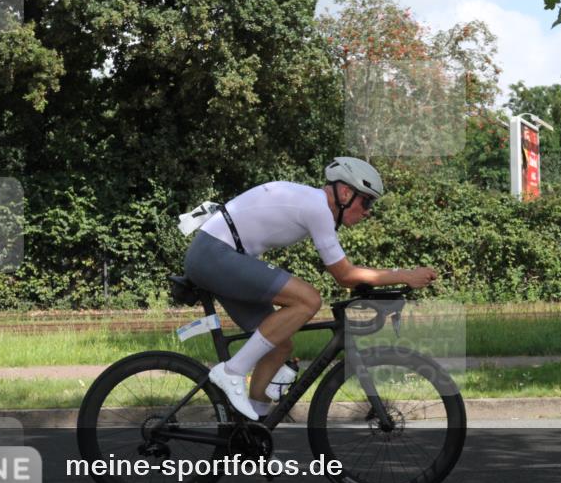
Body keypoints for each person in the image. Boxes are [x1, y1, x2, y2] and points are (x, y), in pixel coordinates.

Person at [183, 157, 437, 420]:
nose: (368, 211)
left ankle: (252, 436)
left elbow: (346, 273)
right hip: (214, 254)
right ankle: (232, 372)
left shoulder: (314, 205)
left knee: (279, 346)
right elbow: (345, 275)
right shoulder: (317, 207)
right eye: (366, 201)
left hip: (221, 256)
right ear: (346, 193)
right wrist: (404, 275)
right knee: (308, 300)